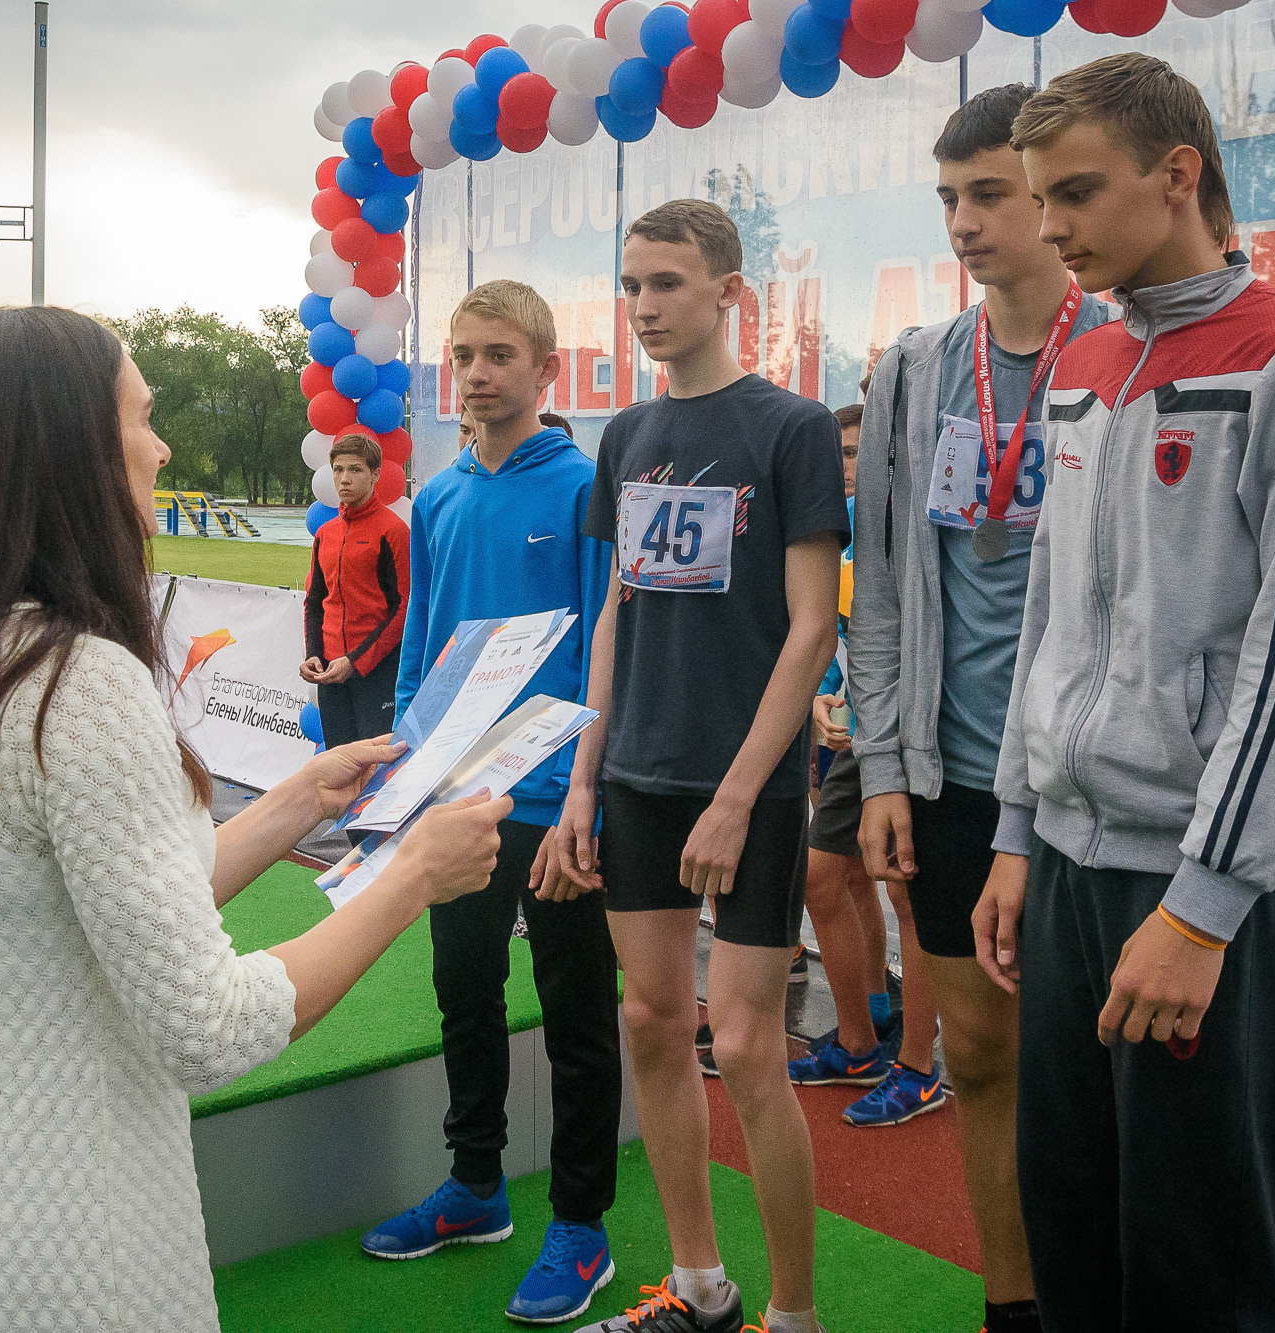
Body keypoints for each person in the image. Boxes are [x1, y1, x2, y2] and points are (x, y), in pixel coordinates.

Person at [0, 305, 507, 1333]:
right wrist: (413, 873)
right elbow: (208, 1026)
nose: (162, 447)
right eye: (141, 418)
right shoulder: (79, 683)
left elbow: (97, 908)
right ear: (67, 450)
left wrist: (290, 804)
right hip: (67, 1266)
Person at [979, 54, 1275, 1329]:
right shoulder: (1087, 363)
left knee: (1195, 1258)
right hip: (1061, 864)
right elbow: (1046, 619)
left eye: (1077, 192)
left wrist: (1204, 906)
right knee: (1073, 1225)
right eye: (1040, 198)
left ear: (1178, 175)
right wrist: (1011, 830)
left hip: (1203, 885)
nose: (1050, 226)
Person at [538, 199, 847, 1333]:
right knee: (651, 1022)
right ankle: (699, 1285)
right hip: (635, 775)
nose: (644, 307)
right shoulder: (620, 437)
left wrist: (732, 797)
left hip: (749, 786)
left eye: (666, 283)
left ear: (728, 290)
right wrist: (584, 772)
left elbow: (810, 627)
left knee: (752, 1045)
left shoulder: (791, 427)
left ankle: (795, 1313)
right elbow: (616, 610)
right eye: (630, 286)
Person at [847, 84, 1118, 1332]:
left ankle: (1107, 1293)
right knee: (979, 1051)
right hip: (950, 773)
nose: (965, 221)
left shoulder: (1118, 354)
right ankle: (1012, 1307)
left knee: (1099, 1069)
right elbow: (890, 583)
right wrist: (888, 768)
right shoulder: (912, 371)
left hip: (1089, 787)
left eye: (991, 195)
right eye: (949, 198)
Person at [361, 280, 622, 1327]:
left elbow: (610, 644)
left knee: (574, 1014)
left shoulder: (582, 488)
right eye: (462, 354)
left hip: (555, 798)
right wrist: (403, 772)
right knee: (463, 989)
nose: (475, 372)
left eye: (499, 355)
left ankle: (580, 1223)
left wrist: (585, 800)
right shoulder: (434, 496)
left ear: (543, 369)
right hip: (454, 799)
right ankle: (475, 1186)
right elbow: (424, 645)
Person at [787, 401, 946, 1131]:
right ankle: (861, 1037)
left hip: (925, 738)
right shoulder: (846, 531)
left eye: (861, 449)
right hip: (856, 732)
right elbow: (838, 634)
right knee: (830, 877)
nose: (852, 464)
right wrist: (823, 701)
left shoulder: (934, 514)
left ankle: (919, 1064)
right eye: (843, 451)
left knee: (906, 895)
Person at [301, 432, 410, 754]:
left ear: (376, 474)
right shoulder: (325, 533)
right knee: (338, 763)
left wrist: (357, 660)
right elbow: (315, 603)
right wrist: (313, 654)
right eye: (338, 470)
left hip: (376, 673)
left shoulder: (393, 530)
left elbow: (404, 607)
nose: (344, 479)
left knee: (374, 765)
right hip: (332, 671)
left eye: (355, 470)